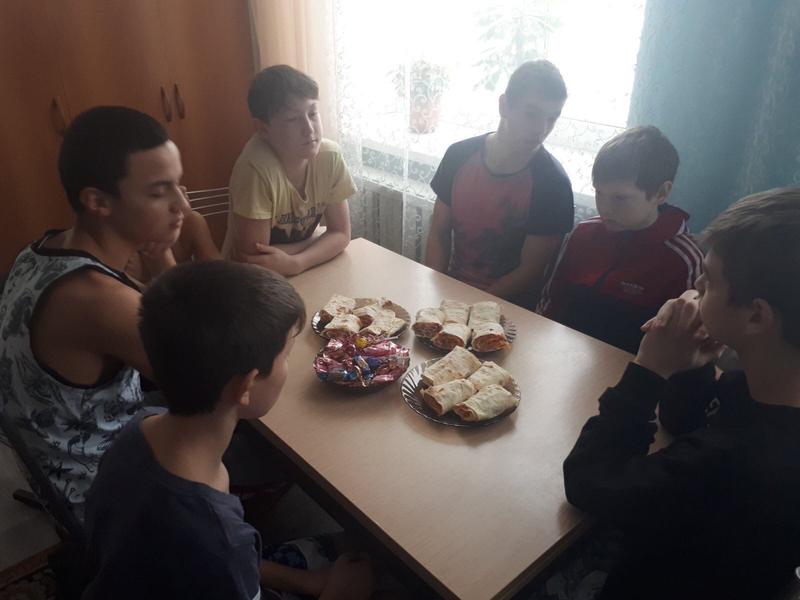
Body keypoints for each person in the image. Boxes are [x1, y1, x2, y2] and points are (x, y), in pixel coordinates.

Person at [82, 261, 374, 599]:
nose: (288, 367)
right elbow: (222, 555)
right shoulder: (220, 540)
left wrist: (309, 582)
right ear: (247, 385)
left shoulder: (140, 427)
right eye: (286, 356)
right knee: (373, 567)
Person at [562, 187, 800, 599]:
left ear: (756, 315)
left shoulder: (732, 461)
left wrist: (648, 370)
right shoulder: (767, 389)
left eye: (709, 279)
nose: (697, 285)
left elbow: (588, 480)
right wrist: (693, 366)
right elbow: (689, 423)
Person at [0, 106, 187, 515]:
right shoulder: (98, 300)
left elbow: (159, 318)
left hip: (53, 463)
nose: (182, 206)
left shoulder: (42, 250)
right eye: (160, 192)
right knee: (236, 416)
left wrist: (158, 258)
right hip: (99, 495)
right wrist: (164, 259)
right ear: (98, 201)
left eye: (179, 185)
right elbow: (204, 376)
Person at [538, 126, 703, 352]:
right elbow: (551, 301)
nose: (605, 208)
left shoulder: (683, 260)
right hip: (561, 352)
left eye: (620, 198)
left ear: (661, 193)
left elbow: (682, 345)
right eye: (598, 193)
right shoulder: (583, 233)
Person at [425, 60, 574, 307]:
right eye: (531, 114)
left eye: (552, 118)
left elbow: (530, 270)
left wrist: (472, 307)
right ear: (504, 105)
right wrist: (434, 288)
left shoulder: (553, 184)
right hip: (451, 293)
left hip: (510, 308)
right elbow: (439, 232)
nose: (541, 129)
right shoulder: (459, 155)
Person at [223, 65, 355, 276]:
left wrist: (297, 262)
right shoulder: (255, 170)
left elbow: (341, 234)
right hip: (248, 282)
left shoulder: (329, 156)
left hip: (305, 272)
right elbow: (256, 261)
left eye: (312, 113)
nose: (309, 129)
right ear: (263, 128)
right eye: (293, 119)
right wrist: (319, 239)